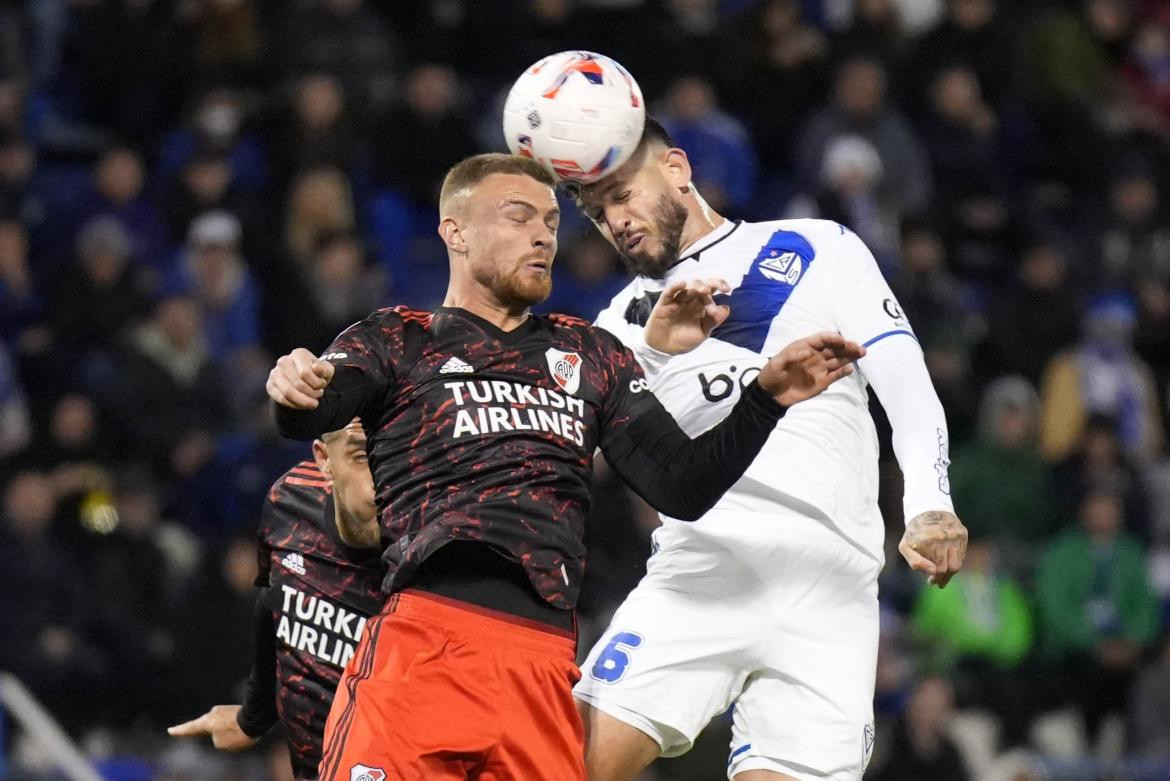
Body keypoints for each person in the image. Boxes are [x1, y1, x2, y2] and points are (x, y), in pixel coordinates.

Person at [265, 153, 864, 781]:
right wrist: (295, 386)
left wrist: (764, 400)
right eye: (518, 217)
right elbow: (316, 405)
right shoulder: (399, 338)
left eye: (551, 221)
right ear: (456, 232)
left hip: (544, 667)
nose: (543, 235)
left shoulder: (590, 354)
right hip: (427, 645)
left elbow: (681, 486)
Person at [570, 119, 968, 781]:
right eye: (597, 210)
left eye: (624, 194)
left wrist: (931, 501)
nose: (615, 220)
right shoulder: (618, 327)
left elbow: (902, 375)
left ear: (675, 167)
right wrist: (651, 350)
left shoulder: (816, 245)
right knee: (564, 766)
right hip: (702, 571)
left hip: (831, 585)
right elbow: (581, 452)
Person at [168, 419, 383, 780]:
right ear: (323, 458)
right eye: (359, 456)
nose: (371, 480)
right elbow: (271, 614)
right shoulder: (289, 506)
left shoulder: (415, 541)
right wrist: (256, 718)